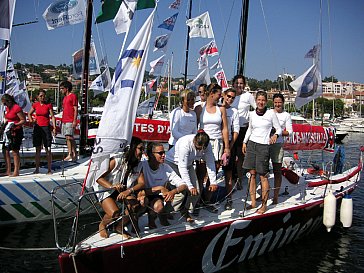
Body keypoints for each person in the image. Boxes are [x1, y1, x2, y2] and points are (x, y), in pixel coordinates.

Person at [94, 137, 145, 238]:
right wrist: (112, 186)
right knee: (115, 213)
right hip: (104, 188)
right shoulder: (116, 160)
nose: (142, 152)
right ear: (132, 148)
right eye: (140, 149)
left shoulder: (138, 164)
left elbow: (142, 183)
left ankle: (119, 226)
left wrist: (129, 191)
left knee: (134, 205)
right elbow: (98, 178)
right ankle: (102, 225)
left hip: (121, 189)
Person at [242, 91, 282, 214]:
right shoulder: (252, 114)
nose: (260, 102)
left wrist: (275, 135)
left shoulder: (271, 114)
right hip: (251, 144)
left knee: (263, 176)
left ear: (266, 101)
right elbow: (250, 128)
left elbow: (279, 128)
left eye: (263, 100)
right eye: (258, 100)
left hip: (264, 146)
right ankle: (253, 202)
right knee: (251, 174)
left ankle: (264, 205)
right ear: (256, 101)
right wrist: (244, 142)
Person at [166, 130, 218, 221]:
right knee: (182, 191)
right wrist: (189, 186)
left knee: (196, 190)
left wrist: (213, 182)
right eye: (198, 148)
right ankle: (166, 212)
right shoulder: (185, 143)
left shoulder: (207, 145)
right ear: (194, 141)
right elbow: (182, 167)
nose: (200, 151)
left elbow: (210, 163)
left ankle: (186, 211)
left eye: (202, 149)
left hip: (188, 165)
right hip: (172, 163)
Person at [195, 83, 230, 212]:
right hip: (202, 143)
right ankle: (197, 201)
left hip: (217, 144)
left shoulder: (221, 109)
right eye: (219, 95)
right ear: (211, 94)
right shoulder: (199, 108)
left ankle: (207, 200)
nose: (220, 97)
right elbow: (195, 126)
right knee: (200, 174)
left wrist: (227, 147)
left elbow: (225, 128)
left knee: (213, 175)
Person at [138, 142, 187, 229]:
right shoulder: (142, 165)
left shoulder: (166, 167)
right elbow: (138, 190)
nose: (164, 155)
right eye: (160, 153)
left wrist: (173, 192)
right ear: (150, 154)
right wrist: (160, 188)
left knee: (159, 206)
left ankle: (153, 220)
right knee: (143, 201)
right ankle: (133, 222)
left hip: (155, 197)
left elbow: (183, 185)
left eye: (164, 152)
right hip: (141, 195)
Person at [230, 75, 256, 189]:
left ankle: (239, 180)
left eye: (241, 83)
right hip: (231, 130)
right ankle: (230, 179)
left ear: (244, 85)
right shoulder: (230, 96)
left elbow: (256, 109)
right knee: (230, 155)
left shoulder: (248, 96)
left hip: (243, 130)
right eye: (237, 83)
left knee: (241, 156)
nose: (239, 85)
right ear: (233, 84)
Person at [270, 93, 293, 204]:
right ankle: (263, 194)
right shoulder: (268, 113)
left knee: (277, 171)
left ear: (283, 103)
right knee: (262, 171)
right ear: (273, 103)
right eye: (276, 102)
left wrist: (277, 132)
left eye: (279, 102)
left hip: (278, 145)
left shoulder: (286, 115)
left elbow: (289, 132)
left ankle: (275, 196)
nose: (277, 104)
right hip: (265, 144)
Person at [28, 90, 56, 174]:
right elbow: (29, 113)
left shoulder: (48, 105)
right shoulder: (35, 105)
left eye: (43, 96)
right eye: (41, 96)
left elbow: (52, 116)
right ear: (38, 97)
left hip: (46, 127)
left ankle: (49, 169)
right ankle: (37, 168)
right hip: (37, 127)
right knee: (37, 148)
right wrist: (31, 120)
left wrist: (54, 127)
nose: (42, 97)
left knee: (48, 148)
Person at [221, 88, 240, 210]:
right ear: (224, 95)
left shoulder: (234, 111)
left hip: (229, 145)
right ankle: (206, 198)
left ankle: (229, 199)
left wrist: (230, 145)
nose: (230, 99)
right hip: (217, 143)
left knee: (228, 174)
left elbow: (236, 129)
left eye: (233, 97)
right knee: (210, 172)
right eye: (228, 96)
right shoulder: (217, 108)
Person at [1, 94, 26, 176]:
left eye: (5, 103)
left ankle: (16, 171)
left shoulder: (16, 108)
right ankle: (8, 170)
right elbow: (7, 118)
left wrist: (15, 125)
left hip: (16, 131)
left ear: (9, 101)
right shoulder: (8, 108)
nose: (4, 105)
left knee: (15, 151)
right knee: (6, 150)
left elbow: (23, 120)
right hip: (8, 131)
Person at [60, 80, 78, 161]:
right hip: (64, 119)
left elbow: (75, 108)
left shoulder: (73, 96)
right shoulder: (64, 98)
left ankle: (70, 153)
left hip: (70, 119)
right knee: (68, 137)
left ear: (66, 89)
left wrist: (74, 120)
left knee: (69, 137)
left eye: (62, 88)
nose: (61, 90)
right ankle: (73, 153)